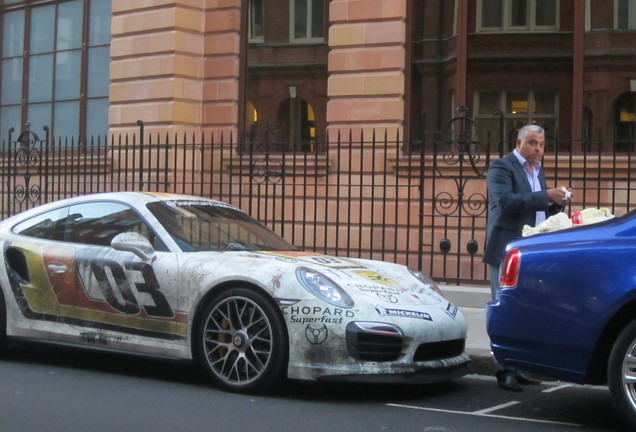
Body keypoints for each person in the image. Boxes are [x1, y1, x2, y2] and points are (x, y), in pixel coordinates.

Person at [483, 124, 573, 392]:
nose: (538, 149)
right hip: (506, 248)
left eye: (542, 144)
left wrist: (557, 202)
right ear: (519, 142)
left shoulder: (538, 170)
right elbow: (507, 201)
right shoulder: (502, 167)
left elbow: (537, 206)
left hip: (531, 252)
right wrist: (546, 195)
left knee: (525, 309)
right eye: (533, 143)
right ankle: (504, 370)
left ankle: (519, 366)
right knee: (504, 308)